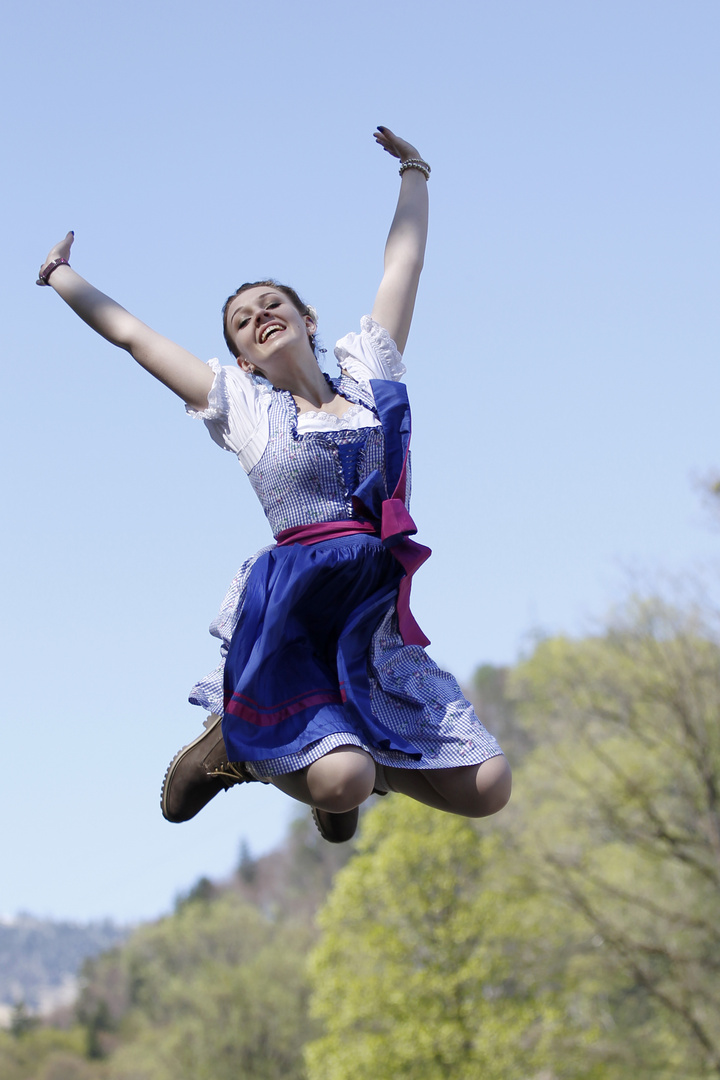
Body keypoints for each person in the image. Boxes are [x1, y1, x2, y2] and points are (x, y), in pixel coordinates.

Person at [38, 126, 511, 843]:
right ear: (241, 360)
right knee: (342, 779)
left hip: (372, 603)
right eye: (241, 323)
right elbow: (134, 337)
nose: (258, 317)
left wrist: (414, 172)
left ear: (305, 319)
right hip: (293, 605)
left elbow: (403, 263)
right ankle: (240, 747)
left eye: (270, 304)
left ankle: (347, 757)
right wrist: (61, 276)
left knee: (487, 787)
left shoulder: (371, 372)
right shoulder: (247, 407)